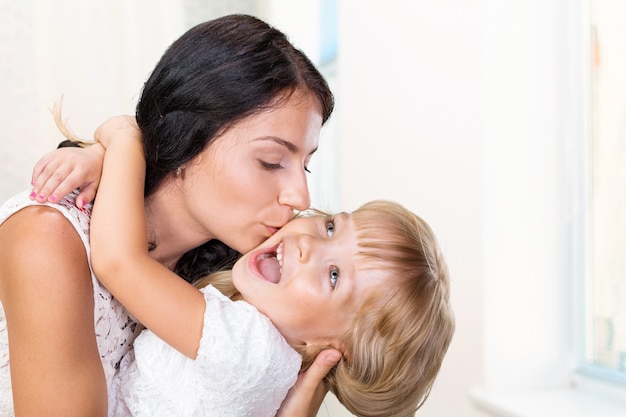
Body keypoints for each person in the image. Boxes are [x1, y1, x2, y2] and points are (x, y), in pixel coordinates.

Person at [0, 14, 338, 416]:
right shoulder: (50, 238)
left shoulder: (237, 290)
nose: (300, 195)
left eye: (306, 165)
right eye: (270, 161)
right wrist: (125, 136)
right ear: (187, 138)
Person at [90, 118, 455, 416]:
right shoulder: (271, 368)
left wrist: (126, 139)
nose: (310, 244)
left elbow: (119, 262)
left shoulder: (247, 352)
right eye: (331, 227)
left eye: (334, 275)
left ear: (328, 348)